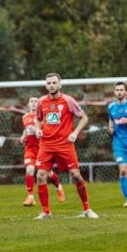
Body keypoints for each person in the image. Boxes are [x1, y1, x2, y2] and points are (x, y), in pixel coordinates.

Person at [33, 73, 98, 219]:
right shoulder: (41, 102)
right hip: (46, 145)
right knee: (40, 176)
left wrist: (75, 132)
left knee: (76, 175)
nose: (51, 85)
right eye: (49, 83)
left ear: (60, 84)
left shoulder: (68, 101)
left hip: (65, 145)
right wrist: (38, 129)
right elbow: (38, 119)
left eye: (54, 83)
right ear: (46, 86)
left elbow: (84, 118)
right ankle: (46, 212)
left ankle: (87, 209)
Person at [19, 97, 65, 206]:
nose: (34, 103)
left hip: (42, 148)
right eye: (31, 101)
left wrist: (37, 131)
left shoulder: (43, 116)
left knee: (48, 173)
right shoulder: (24, 117)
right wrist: (23, 136)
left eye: (36, 101)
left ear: (39, 104)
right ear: (28, 104)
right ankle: (30, 198)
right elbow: (26, 129)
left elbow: (47, 131)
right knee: (29, 170)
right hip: (30, 149)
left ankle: (58, 187)